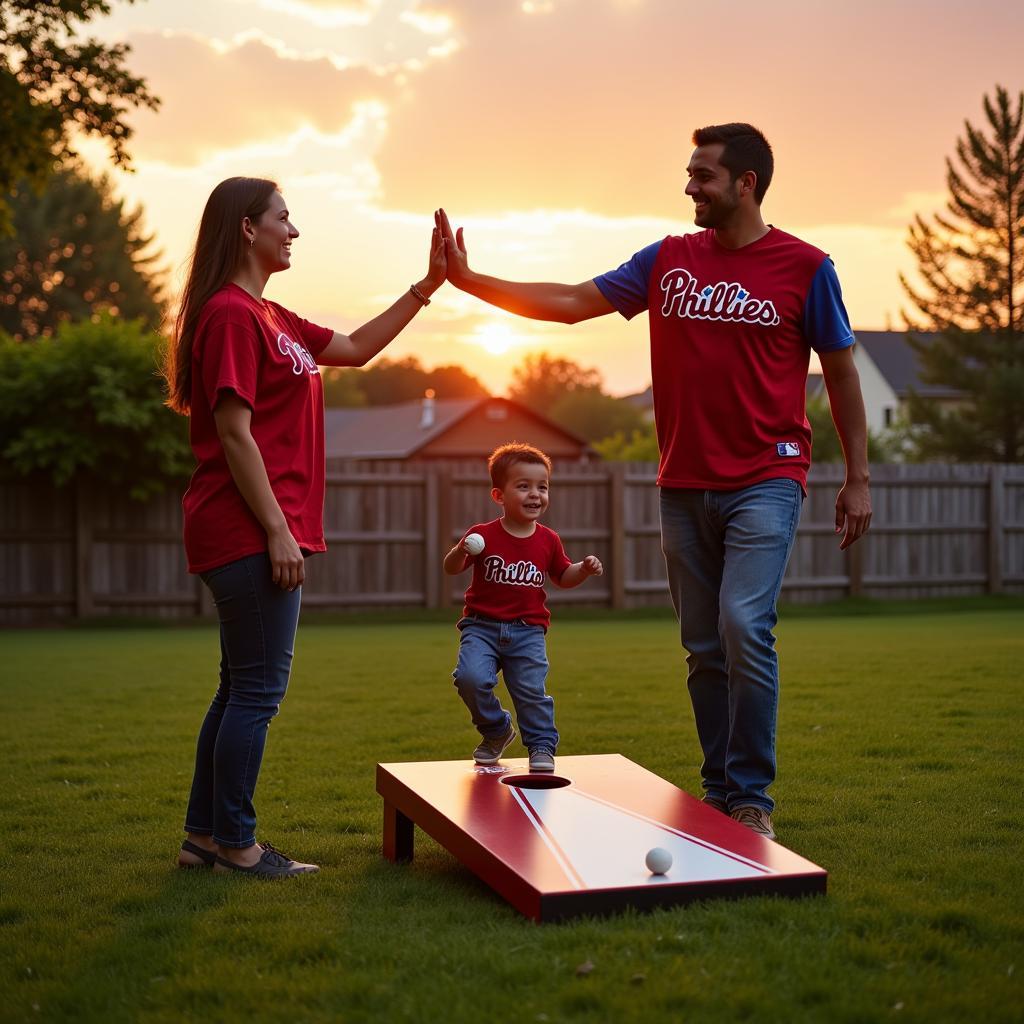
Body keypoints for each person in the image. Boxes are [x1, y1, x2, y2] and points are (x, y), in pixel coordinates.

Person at [438, 123, 872, 839]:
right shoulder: (668, 260)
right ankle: (718, 788)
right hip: (683, 483)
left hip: (769, 474)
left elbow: (845, 371)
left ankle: (752, 797)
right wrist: (472, 281)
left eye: (702, 175)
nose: (689, 187)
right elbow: (575, 301)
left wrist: (857, 476)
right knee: (703, 643)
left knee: (742, 625)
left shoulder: (806, 267)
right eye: (689, 173)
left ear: (746, 184)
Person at [163, 178, 445, 876]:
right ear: (246, 230)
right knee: (257, 692)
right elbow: (234, 433)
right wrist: (278, 531)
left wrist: (427, 286)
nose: (294, 231)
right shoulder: (230, 315)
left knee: (238, 688)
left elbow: (353, 347)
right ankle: (238, 845)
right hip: (245, 529)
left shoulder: (271, 316)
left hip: (251, 530)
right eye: (283, 219)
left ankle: (204, 839)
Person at [443, 443, 603, 773]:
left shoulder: (548, 540)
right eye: (524, 486)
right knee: (469, 679)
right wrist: (460, 549)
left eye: (542, 487)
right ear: (498, 496)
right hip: (481, 626)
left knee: (530, 691)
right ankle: (496, 731)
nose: (535, 495)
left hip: (528, 630)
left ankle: (541, 745)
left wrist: (583, 570)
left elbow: (562, 576)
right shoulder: (481, 535)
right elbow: (451, 567)